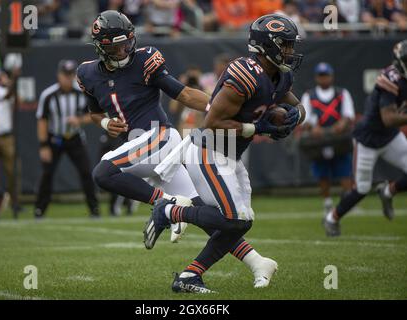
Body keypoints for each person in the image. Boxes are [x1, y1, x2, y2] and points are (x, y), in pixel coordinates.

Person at [145, 14, 306, 293]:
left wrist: (294, 118)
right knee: (234, 218)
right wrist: (258, 127)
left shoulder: (280, 75)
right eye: (285, 45)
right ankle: (170, 211)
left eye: (291, 45)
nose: (290, 52)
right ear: (266, 46)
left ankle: (189, 276)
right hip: (208, 152)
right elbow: (213, 122)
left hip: (230, 155)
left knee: (240, 223)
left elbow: (296, 106)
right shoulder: (244, 74)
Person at [77, 10, 209, 242]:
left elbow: (185, 95)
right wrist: (106, 122)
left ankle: (167, 204)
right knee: (202, 213)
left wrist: (220, 107)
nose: (123, 51)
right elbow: (95, 113)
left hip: (160, 138)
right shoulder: (87, 73)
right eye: (115, 47)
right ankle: (256, 261)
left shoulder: (145, 60)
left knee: (103, 172)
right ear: (100, 48)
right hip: (146, 150)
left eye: (126, 44)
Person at [323, 40, 407, 237]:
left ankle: (388, 191)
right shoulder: (390, 79)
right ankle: (332, 218)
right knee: (361, 189)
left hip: (391, 137)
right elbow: (388, 119)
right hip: (368, 139)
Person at [35, 60, 99, 219]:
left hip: (75, 138)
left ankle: (94, 209)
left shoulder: (82, 93)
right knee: (47, 174)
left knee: (86, 172)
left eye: (71, 75)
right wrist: (43, 145)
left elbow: (94, 115)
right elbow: (42, 120)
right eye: (65, 75)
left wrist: (80, 120)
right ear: (59, 75)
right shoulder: (48, 95)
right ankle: (39, 210)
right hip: (54, 138)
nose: (68, 78)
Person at [301, 62, 355, 215]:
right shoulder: (309, 95)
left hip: (339, 138)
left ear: (331, 77)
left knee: (344, 170)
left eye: (326, 75)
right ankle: (327, 202)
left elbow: (348, 115)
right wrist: (313, 127)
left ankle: (349, 200)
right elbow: (305, 120)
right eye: (321, 76)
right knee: (322, 172)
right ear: (316, 78)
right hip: (319, 140)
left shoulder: (341, 93)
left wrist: (341, 125)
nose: (324, 79)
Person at [0, 67, 22, 214]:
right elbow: (6, 95)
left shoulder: (9, 90)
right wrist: (14, 79)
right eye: (0, 77)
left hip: (7, 136)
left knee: (12, 171)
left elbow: (16, 100)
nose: (2, 79)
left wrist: (12, 83)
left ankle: (15, 202)